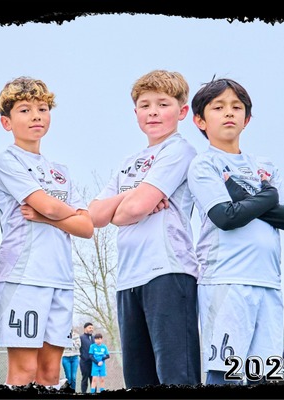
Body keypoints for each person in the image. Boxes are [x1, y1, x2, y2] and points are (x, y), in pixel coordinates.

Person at [87, 70, 202, 388]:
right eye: (145, 105)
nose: (153, 112)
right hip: (129, 278)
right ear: (135, 112)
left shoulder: (179, 151)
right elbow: (93, 215)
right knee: (138, 380)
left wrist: (125, 206)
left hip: (168, 272)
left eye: (163, 104)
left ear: (181, 111)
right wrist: (132, 198)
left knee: (176, 378)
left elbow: (135, 209)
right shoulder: (129, 162)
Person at [187, 78, 284, 385]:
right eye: (218, 107)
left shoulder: (265, 165)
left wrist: (243, 196)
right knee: (226, 373)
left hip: (268, 282)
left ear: (247, 119)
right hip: (226, 281)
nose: (229, 113)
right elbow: (225, 216)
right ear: (200, 120)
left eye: (236, 107)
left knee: (264, 375)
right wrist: (268, 195)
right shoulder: (204, 164)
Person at [0, 77, 93, 388]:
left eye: (42, 109)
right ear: (6, 122)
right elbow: (46, 204)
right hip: (23, 278)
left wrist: (50, 219)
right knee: (24, 372)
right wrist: (60, 213)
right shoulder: (7, 160)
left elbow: (87, 227)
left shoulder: (60, 171)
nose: (36, 116)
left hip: (60, 279)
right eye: (25, 110)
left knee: (49, 373)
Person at [79, 323, 95, 393]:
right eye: (90, 328)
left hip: (93, 362)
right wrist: (83, 356)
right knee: (85, 379)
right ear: (85, 329)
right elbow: (78, 348)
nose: (91, 329)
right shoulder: (81, 338)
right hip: (84, 362)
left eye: (92, 328)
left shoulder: (94, 338)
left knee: (93, 379)